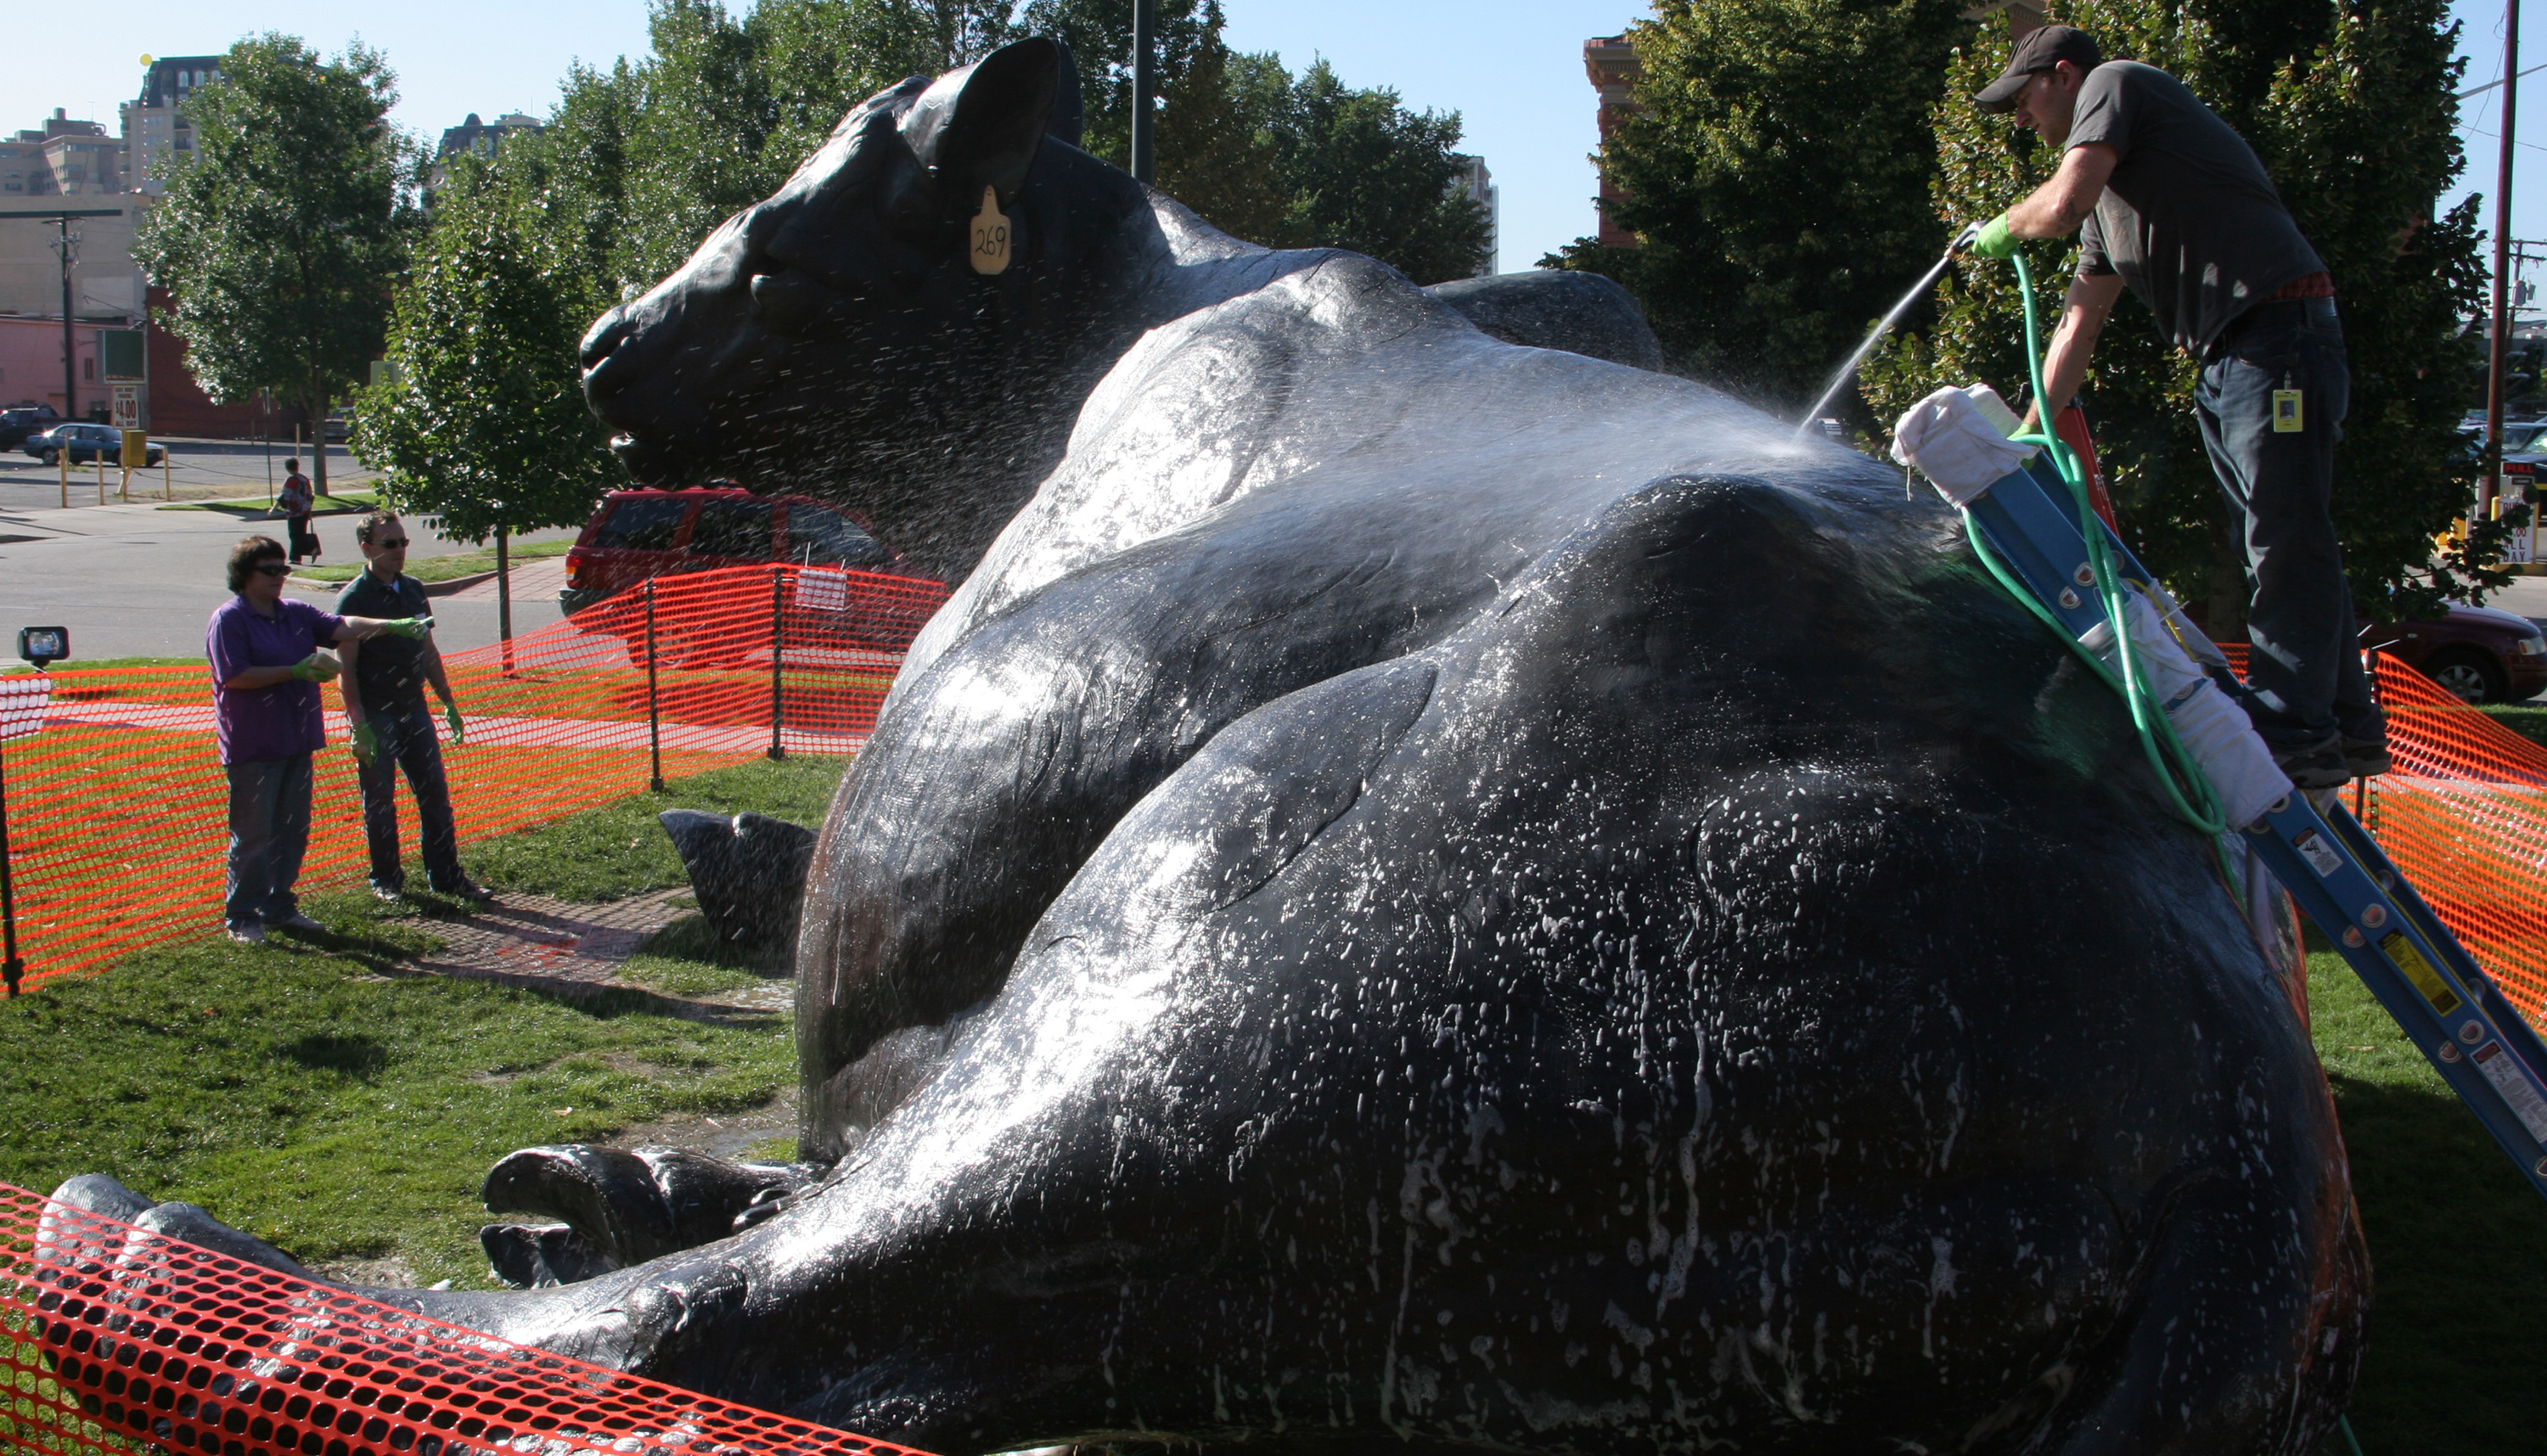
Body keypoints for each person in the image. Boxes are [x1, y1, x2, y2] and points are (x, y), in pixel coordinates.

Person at [1968, 25, 2387, 790]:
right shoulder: (2112, 201)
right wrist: (2025, 441)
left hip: (2278, 334)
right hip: (2233, 354)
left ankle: (2296, 726)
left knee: (2282, 533)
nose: (2020, 120)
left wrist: (2005, 225)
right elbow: (2077, 323)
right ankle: (2345, 728)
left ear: (2063, 76)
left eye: (2022, 100)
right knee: (2281, 531)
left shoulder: (2116, 84)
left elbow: (2058, 207)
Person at [210, 536, 428, 943]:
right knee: (254, 833)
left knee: (292, 829)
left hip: (297, 737)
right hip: (253, 744)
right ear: (244, 574)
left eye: (283, 569)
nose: (279, 577)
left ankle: (280, 906)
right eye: (269, 570)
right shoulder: (230, 619)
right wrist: (294, 671)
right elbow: (235, 675)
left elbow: (343, 626)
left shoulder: (294, 612)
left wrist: (390, 626)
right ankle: (242, 915)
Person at [338, 511, 495, 903]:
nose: (398, 551)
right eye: (389, 544)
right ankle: (386, 880)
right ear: (367, 548)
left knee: (435, 796)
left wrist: (448, 701)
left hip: (415, 708)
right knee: (380, 800)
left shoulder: (413, 589)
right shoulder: (353, 598)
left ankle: (446, 876)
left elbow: (427, 650)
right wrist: (358, 721)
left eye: (403, 542)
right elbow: (346, 668)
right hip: (377, 713)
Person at [278, 458, 320, 565]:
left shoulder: (291, 480)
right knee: (301, 533)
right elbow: (310, 496)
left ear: (287, 468)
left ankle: (295, 557)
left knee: (294, 535)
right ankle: (310, 549)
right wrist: (309, 510)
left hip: (294, 511)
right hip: (305, 511)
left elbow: (285, 496)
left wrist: (274, 508)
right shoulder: (304, 479)